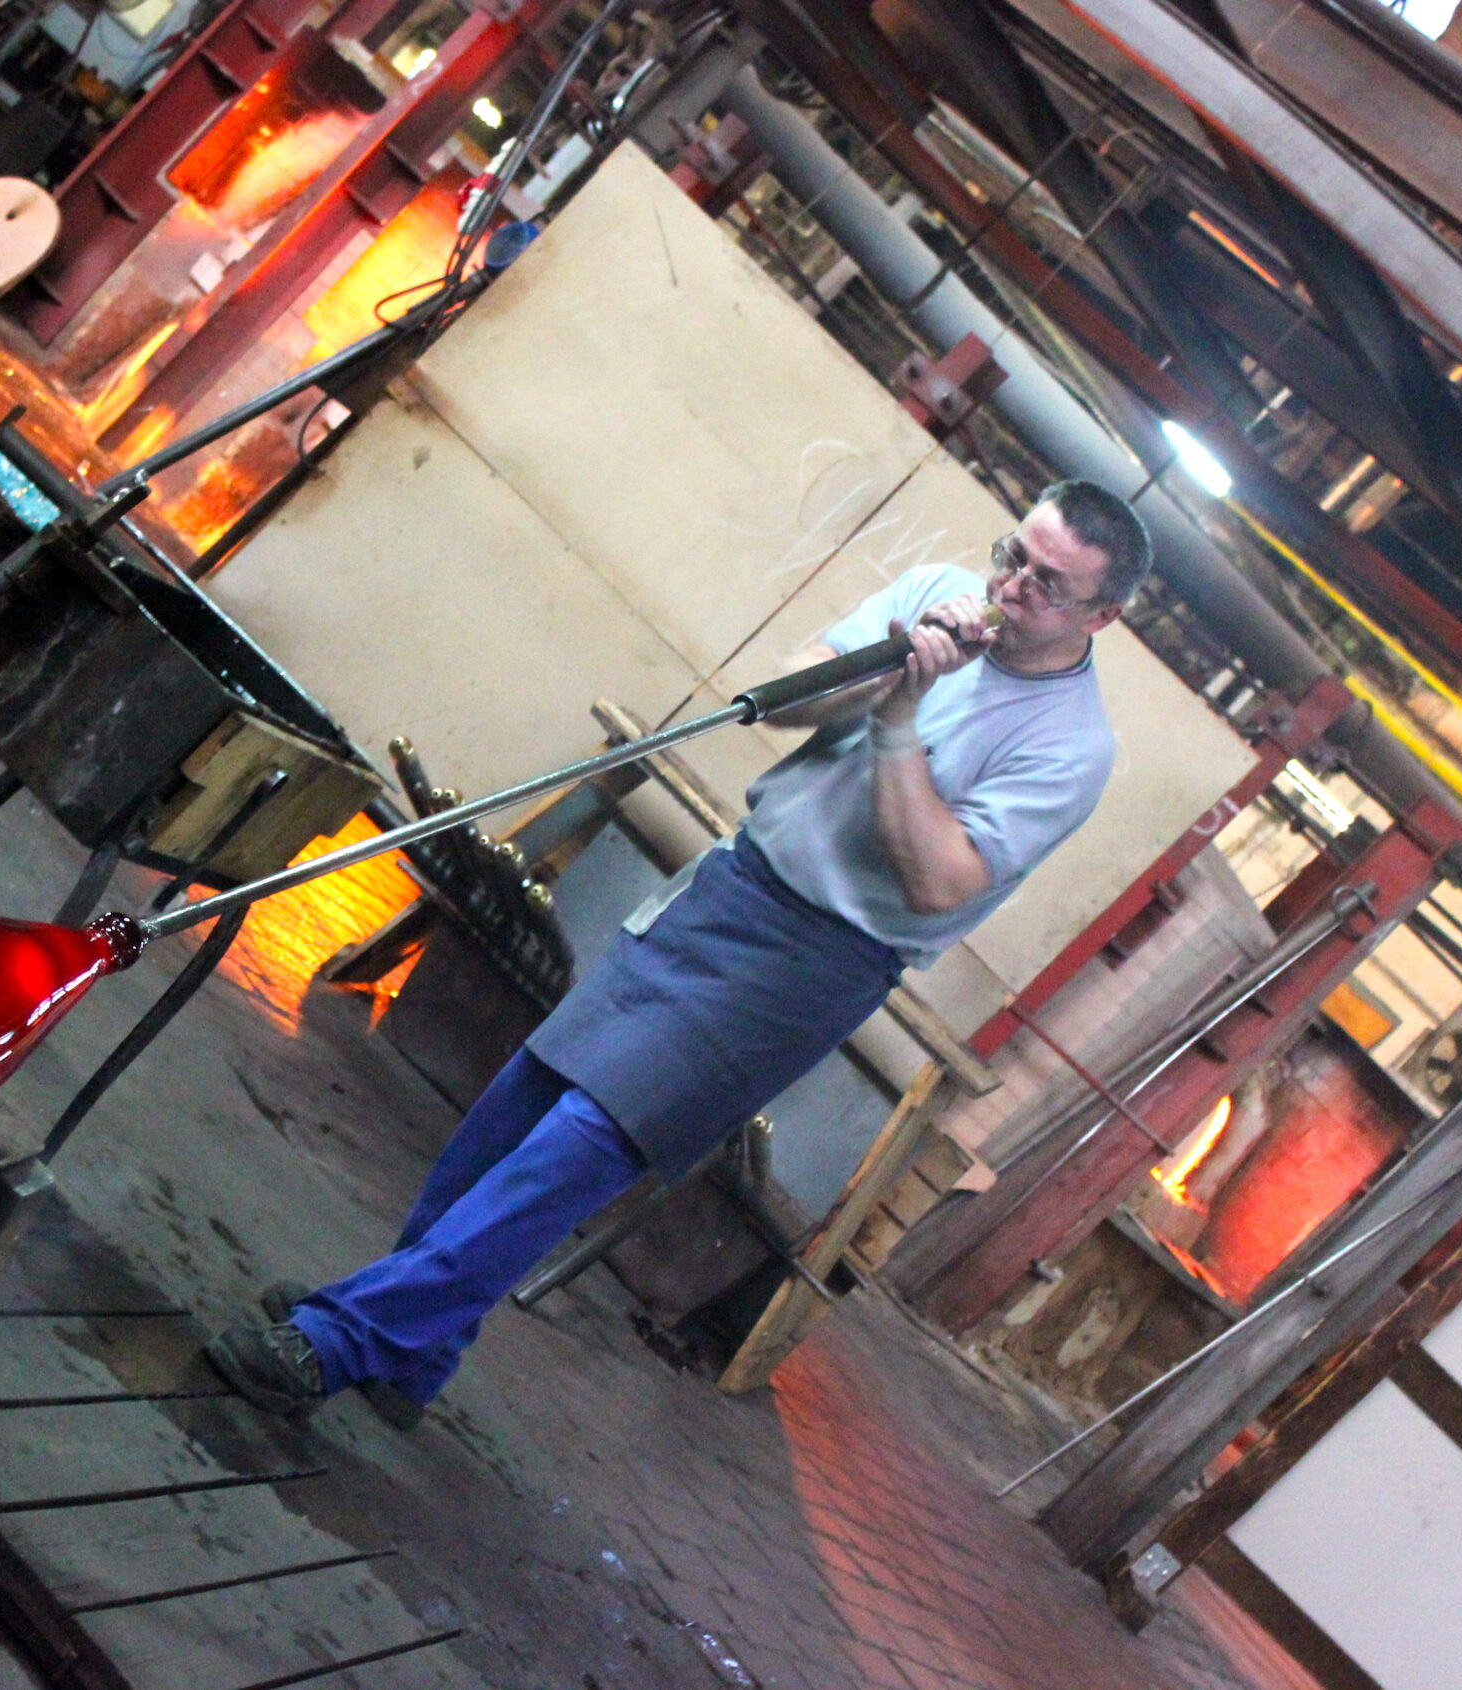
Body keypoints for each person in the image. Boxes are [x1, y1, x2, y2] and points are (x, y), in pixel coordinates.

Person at [205, 479, 1151, 1426]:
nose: (1011, 586)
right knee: (514, 1112)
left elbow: (940, 879)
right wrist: (889, 671)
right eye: (1012, 556)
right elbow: (791, 699)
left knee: (574, 1153)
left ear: (1100, 616)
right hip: (732, 887)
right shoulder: (937, 590)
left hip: (810, 964)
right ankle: (414, 1347)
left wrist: (900, 725)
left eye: (1047, 584)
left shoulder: (1072, 747)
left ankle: (347, 1340)